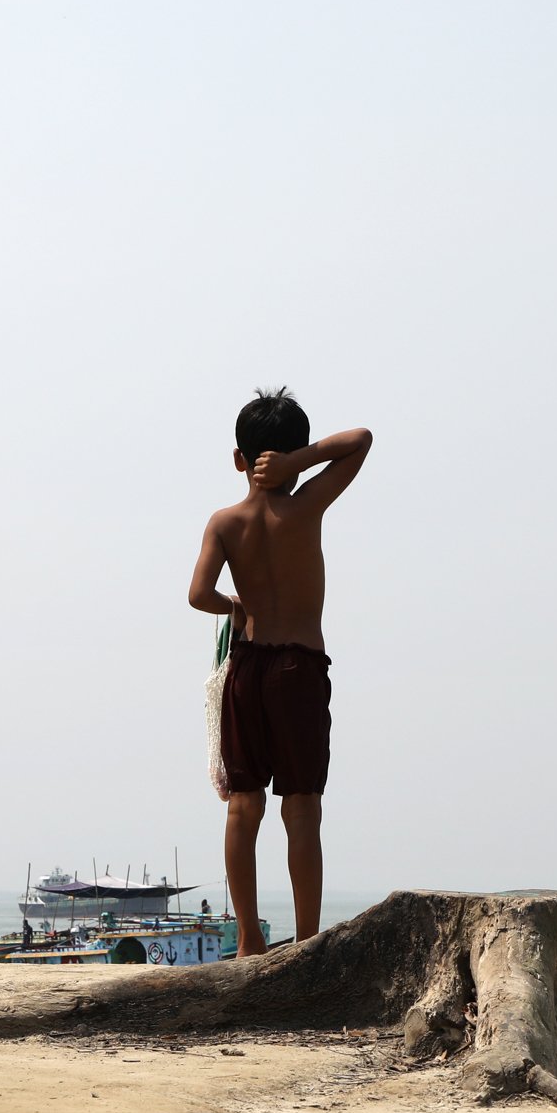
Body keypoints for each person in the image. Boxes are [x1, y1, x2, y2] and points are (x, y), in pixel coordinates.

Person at [187, 388, 372, 956]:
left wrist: (236, 607)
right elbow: (360, 440)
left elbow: (198, 595)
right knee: (302, 805)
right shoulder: (305, 504)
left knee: (245, 804)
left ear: (238, 458)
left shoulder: (226, 521)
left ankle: (248, 940)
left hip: (246, 666)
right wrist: (300, 462)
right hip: (298, 667)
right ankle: (309, 940)